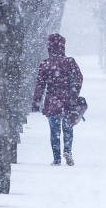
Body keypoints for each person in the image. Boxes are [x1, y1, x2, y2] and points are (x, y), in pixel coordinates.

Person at [32, 33, 83, 165]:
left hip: (51, 102)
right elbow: (79, 78)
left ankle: (56, 158)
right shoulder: (70, 62)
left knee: (54, 132)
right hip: (68, 101)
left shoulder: (45, 64)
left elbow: (40, 85)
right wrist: (73, 93)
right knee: (68, 129)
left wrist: (36, 102)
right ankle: (68, 151)